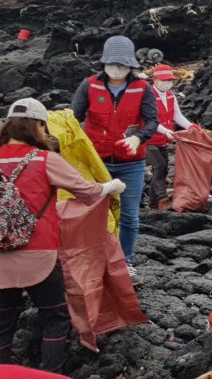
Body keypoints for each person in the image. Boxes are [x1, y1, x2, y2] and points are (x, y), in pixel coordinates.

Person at [0, 98, 125, 372]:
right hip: (38, 255)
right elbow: (88, 192)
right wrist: (112, 186)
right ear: (39, 125)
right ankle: (49, 374)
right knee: (54, 315)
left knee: (0, 322)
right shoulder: (45, 160)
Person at [70, 35, 158, 275]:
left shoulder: (143, 88)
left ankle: (124, 260)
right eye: (112, 64)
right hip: (95, 163)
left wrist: (137, 138)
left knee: (129, 216)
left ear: (131, 65)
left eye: (122, 64)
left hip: (131, 164)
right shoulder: (89, 85)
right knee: (93, 213)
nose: (116, 69)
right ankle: (93, 259)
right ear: (104, 63)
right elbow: (73, 118)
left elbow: (152, 121)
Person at [144, 64, 196, 209]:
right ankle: (163, 199)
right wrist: (165, 131)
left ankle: (152, 204)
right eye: (164, 80)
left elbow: (177, 116)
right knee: (159, 166)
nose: (167, 83)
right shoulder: (147, 97)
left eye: (169, 80)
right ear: (154, 79)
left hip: (163, 140)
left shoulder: (171, 96)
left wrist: (191, 126)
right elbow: (150, 119)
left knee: (162, 169)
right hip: (147, 139)